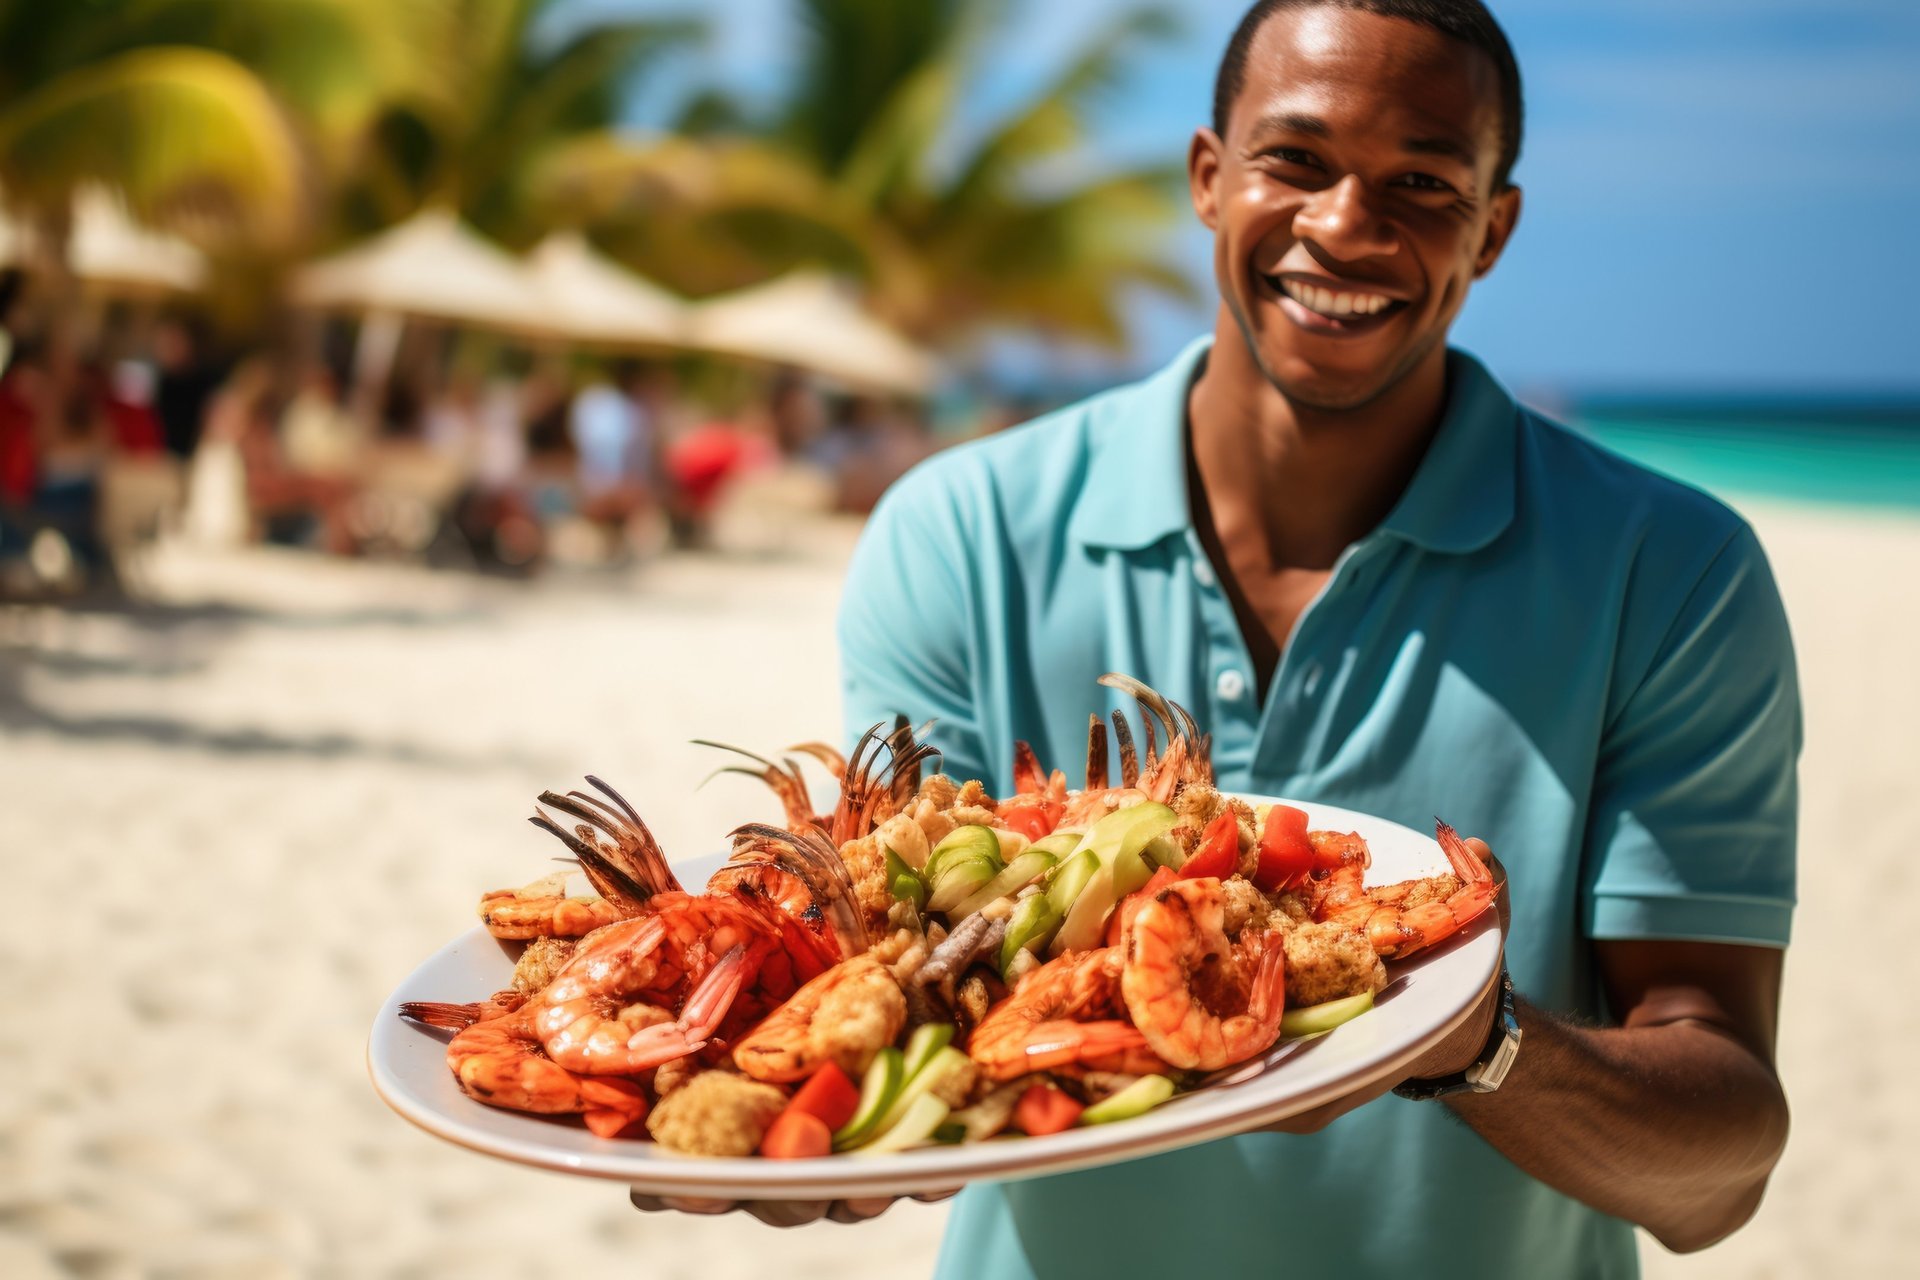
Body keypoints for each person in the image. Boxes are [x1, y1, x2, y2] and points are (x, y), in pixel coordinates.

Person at [633, 2, 1798, 1274]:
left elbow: (1714, 1175)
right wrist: (821, 1119)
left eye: (1422, 180)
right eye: (1294, 160)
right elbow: (899, 949)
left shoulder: (1667, 572)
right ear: (1209, 176)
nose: (1347, 224)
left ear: (1493, 230)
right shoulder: (962, 533)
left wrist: (1463, 1035)